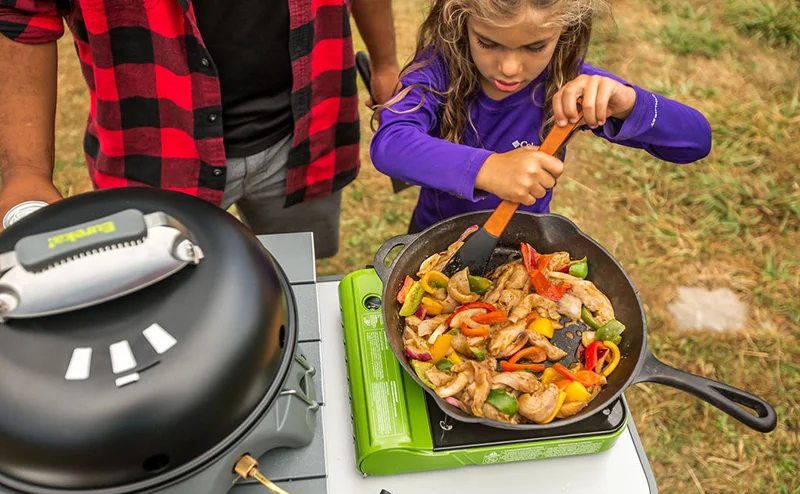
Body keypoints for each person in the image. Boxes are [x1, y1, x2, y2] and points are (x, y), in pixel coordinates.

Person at [0, 0, 399, 258]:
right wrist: (26, 170)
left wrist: (384, 63)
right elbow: (21, 14)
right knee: (167, 299)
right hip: (153, 154)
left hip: (307, 136)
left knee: (295, 273)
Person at [369, 0, 711, 233]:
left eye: (535, 47)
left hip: (524, 248)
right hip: (431, 238)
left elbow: (695, 142)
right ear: (461, 20)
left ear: (564, 31)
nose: (509, 68)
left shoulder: (569, 84)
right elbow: (391, 145)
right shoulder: (436, 73)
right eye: (487, 42)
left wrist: (629, 103)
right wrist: (488, 169)